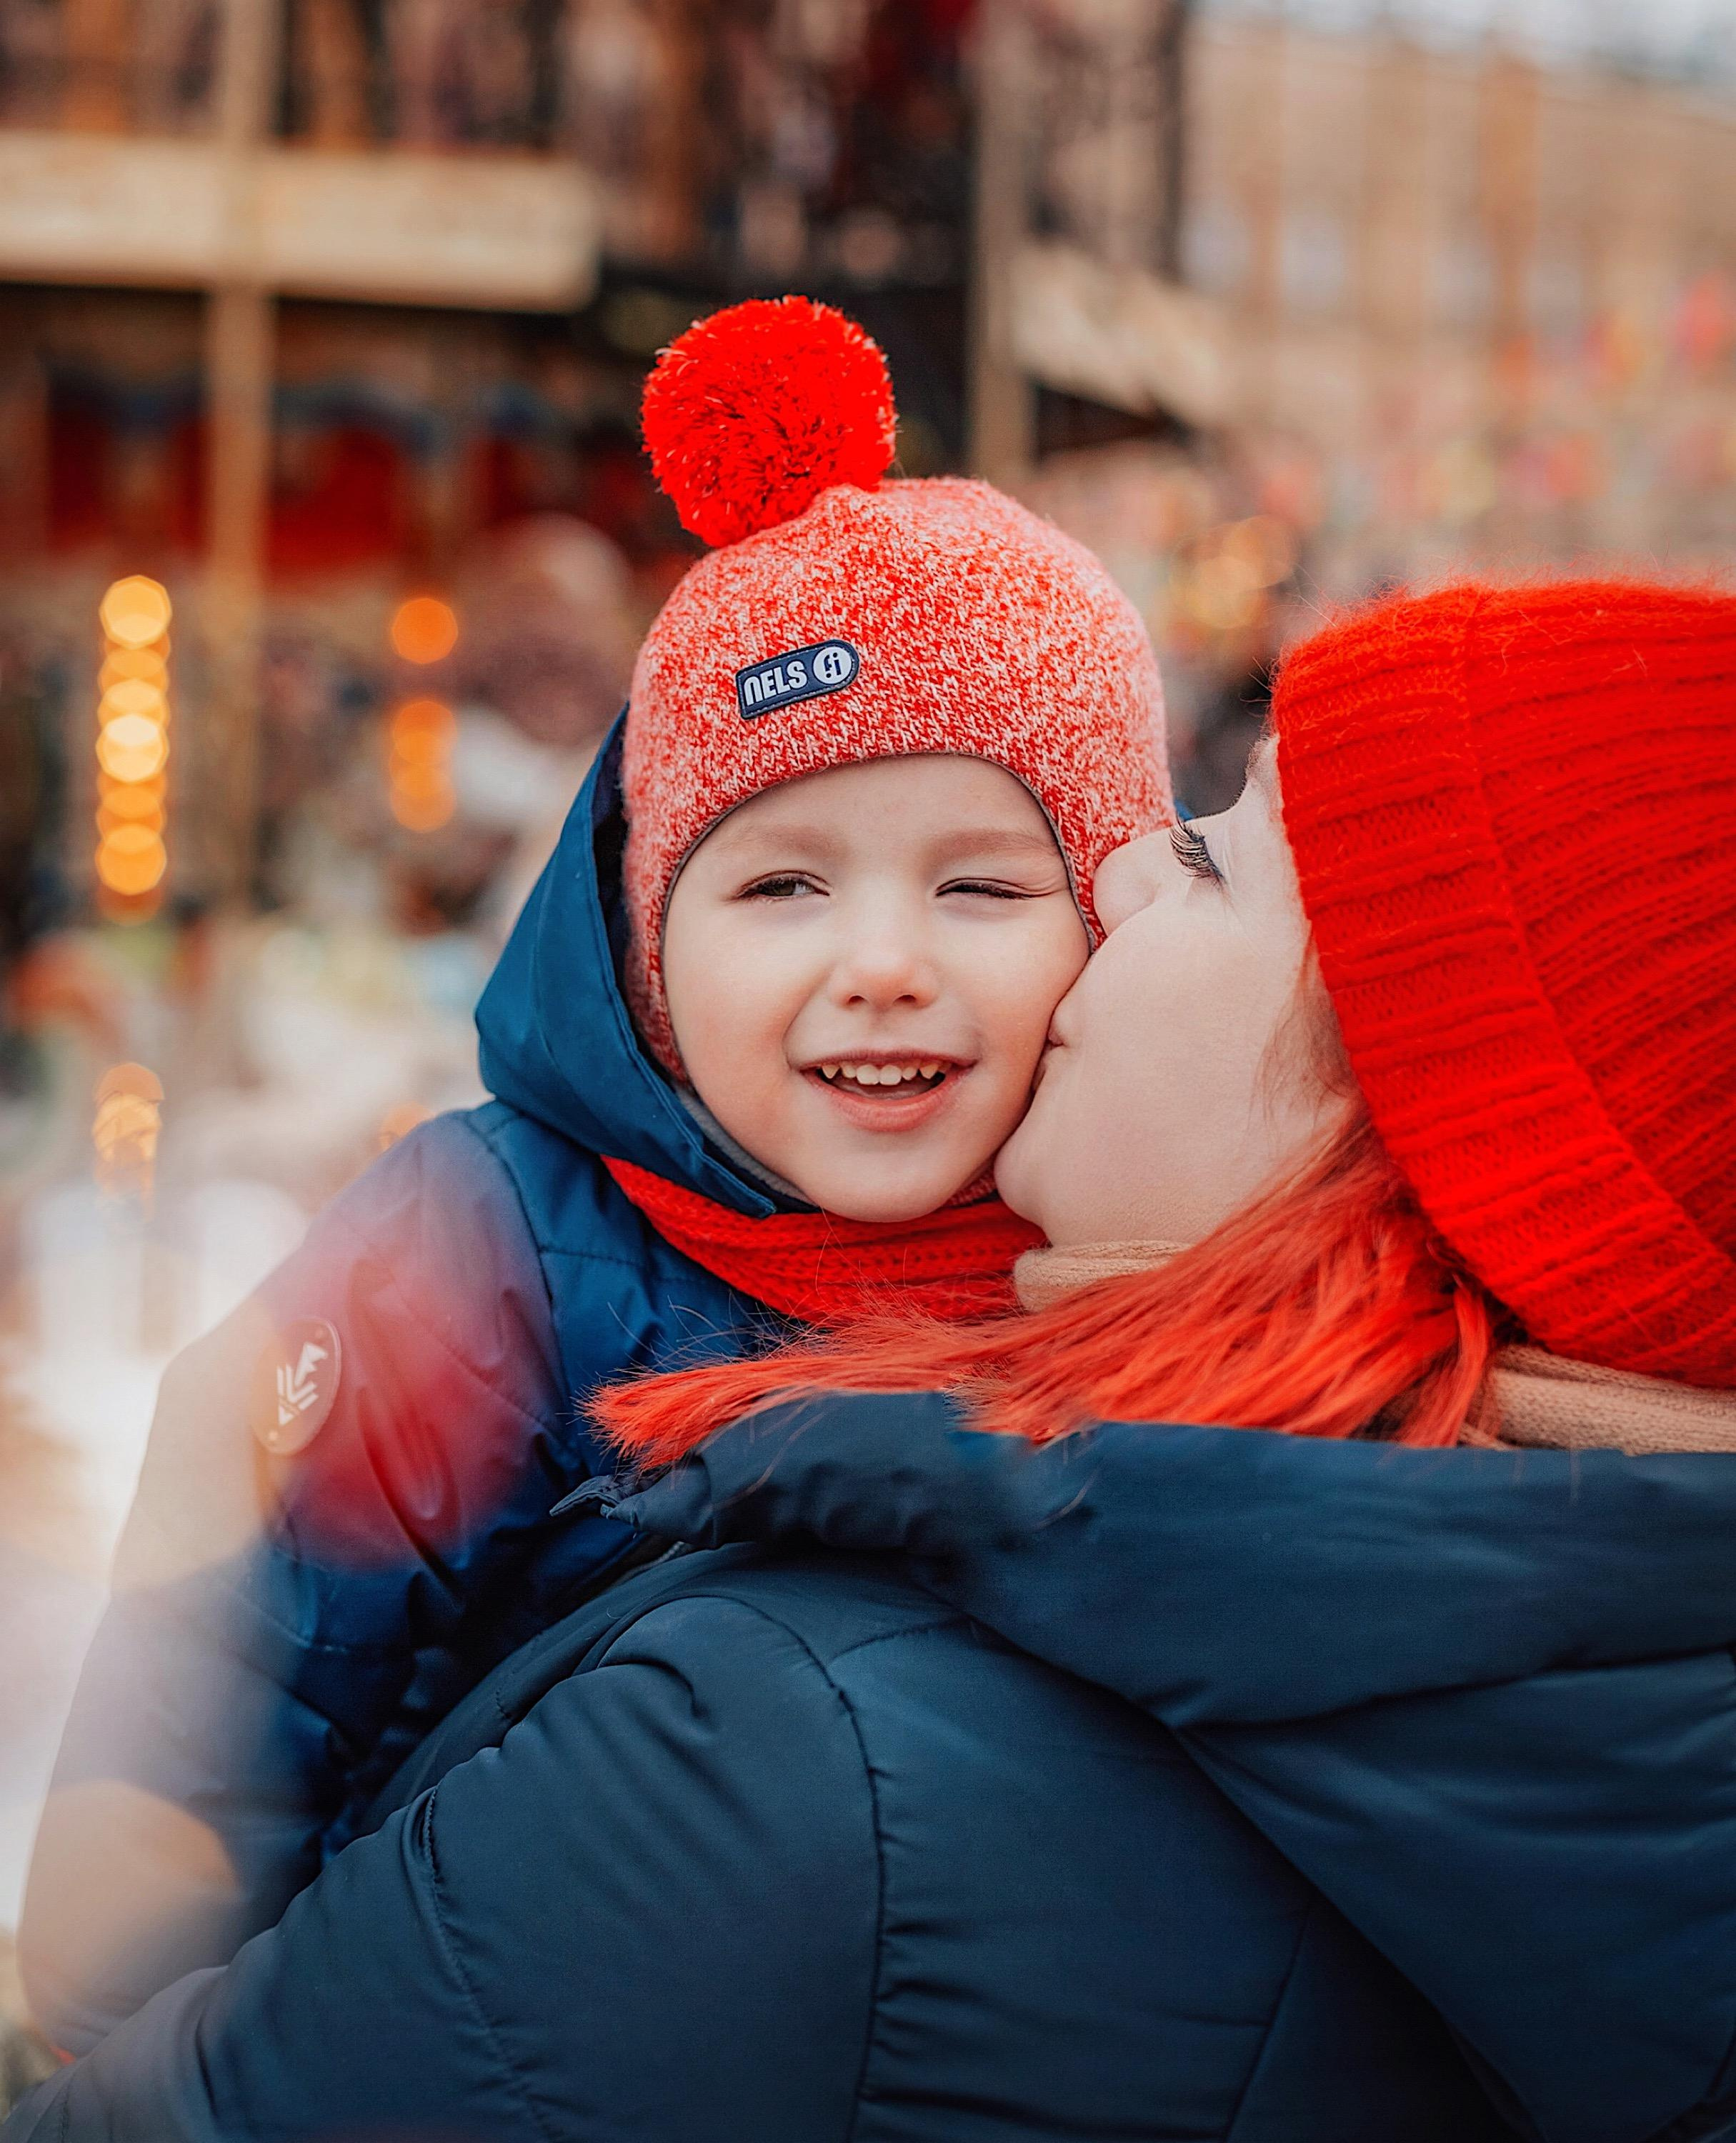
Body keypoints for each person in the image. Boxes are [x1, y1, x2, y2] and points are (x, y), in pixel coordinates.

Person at [12, 576, 1735, 2143]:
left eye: (1214, 861)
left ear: (1415, 1114)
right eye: (780, 884)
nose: (1130, 870)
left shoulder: (808, 1756)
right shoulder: (1540, 1684)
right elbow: (244, 1661)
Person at [19, 296, 1168, 2054]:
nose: (882, 964)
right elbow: (236, 1695)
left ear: (1113, 920)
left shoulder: (1142, 1259)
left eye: (981, 886)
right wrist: (150, 2028)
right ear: (649, 943)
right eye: (781, 886)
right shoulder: (481, 1256)